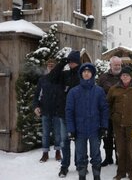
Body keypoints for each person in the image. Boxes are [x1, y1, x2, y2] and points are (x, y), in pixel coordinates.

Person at [66, 63, 109, 180]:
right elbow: (69, 112)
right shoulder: (73, 92)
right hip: (79, 130)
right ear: (81, 74)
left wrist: (104, 127)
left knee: (96, 154)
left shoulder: (99, 91)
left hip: (95, 129)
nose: (86, 73)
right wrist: (71, 129)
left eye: (89, 72)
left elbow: (104, 110)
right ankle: (82, 176)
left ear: (92, 74)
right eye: (84, 72)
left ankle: (96, 176)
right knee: (80, 155)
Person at [107, 66, 132, 180]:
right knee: (120, 149)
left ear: (131, 77)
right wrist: (113, 116)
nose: (125, 77)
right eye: (123, 75)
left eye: (127, 75)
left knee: (130, 150)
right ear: (120, 76)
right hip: (118, 125)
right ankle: (120, 172)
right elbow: (108, 105)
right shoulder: (114, 89)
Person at [48, 50, 81, 178]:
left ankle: (79, 164)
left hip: (78, 114)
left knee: (79, 141)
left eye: (73, 61)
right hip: (63, 113)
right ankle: (64, 166)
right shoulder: (64, 74)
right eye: (70, 61)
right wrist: (62, 63)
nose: (71, 63)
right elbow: (51, 77)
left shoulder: (82, 73)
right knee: (64, 141)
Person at [33, 59, 61, 163]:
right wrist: (36, 106)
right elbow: (36, 95)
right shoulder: (42, 80)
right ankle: (45, 153)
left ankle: (58, 152)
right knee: (45, 133)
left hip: (57, 111)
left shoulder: (60, 79)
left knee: (58, 133)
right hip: (45, 110)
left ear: (55, 67)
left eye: (53, 65)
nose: (51, 67)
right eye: (49, 65)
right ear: (47, 67)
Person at [97, 56, 122, 166]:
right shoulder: (103, 77)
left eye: (119, 65)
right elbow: (97, 93)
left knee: (119, 137)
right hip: (106, 112)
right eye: (115, 64)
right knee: (107, 137)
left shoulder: (125, 76)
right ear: (110, 65)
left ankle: (119, 158)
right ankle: (108, 158)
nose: (117, 66)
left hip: (120, 112)